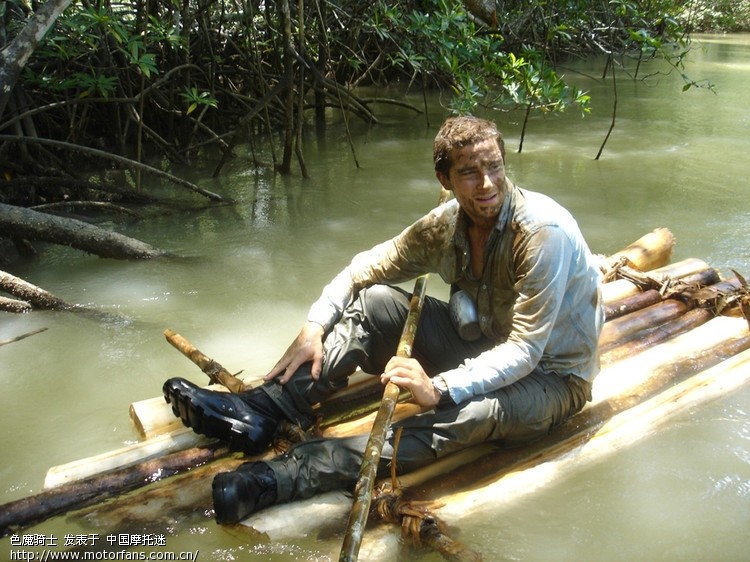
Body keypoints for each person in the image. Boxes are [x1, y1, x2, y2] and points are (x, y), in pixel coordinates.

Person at [163, 115, 604, 524]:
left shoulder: (542, 236)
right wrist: (314, 327)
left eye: (494, 167)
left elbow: (526, 350)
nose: (487, 184)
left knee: (474, 411)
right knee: (375, 303)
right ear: (445, 179)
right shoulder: (445, 226)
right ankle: (264, 408)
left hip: (551, 376)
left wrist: (441, 388)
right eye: (469, 172)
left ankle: (289, 474)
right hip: (485, 343)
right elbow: (362, 270)